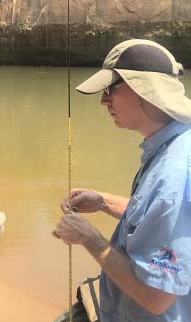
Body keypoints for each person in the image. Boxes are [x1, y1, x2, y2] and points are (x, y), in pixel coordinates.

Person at [53, 39, 191, 321]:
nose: (104, 101)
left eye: (110, 89)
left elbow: (156, 296)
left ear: (145, 89)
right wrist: (103, 202)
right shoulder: (174, 144)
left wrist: (89, 237)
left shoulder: (173, 174)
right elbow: (157, 215)